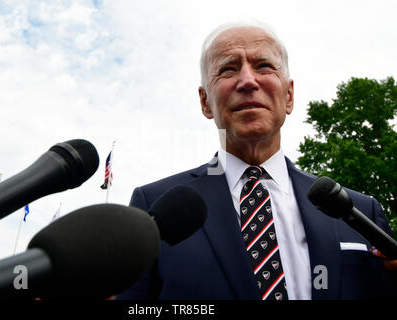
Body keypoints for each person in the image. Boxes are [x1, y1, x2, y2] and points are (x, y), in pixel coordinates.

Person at [116, 21, 397, 300]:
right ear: (205, 102)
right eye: (228, 69)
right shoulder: (152, 207)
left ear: (289, 95)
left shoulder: (361, 213)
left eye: (263, 66)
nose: (248, 81)